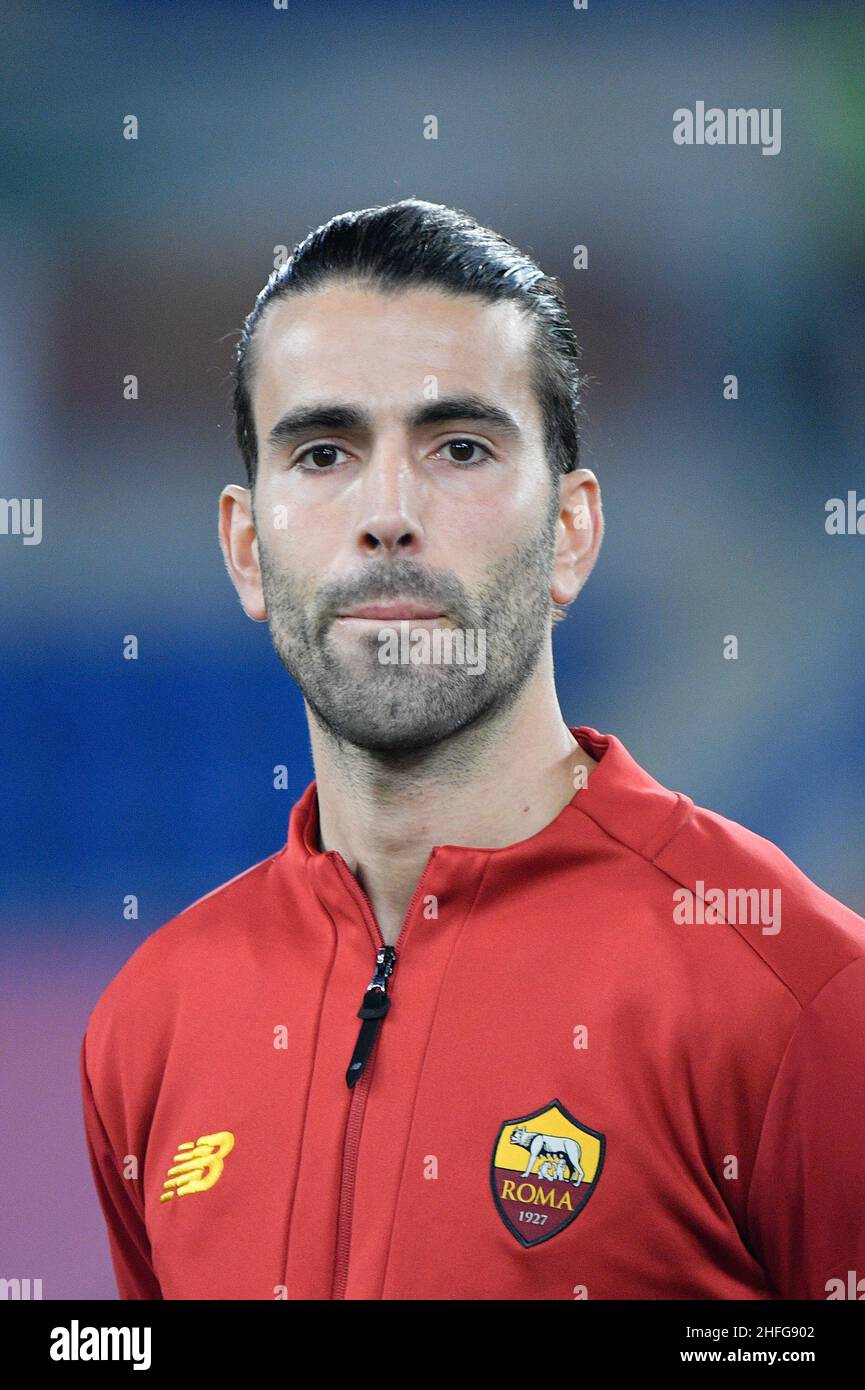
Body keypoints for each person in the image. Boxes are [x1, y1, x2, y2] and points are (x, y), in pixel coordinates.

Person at [80, 199, 865, 1300]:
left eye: (458, 446)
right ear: (248, 550)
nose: (389, 512)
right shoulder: (150, 1027)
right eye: (322, 452)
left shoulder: (799, 996)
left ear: (572, 532)